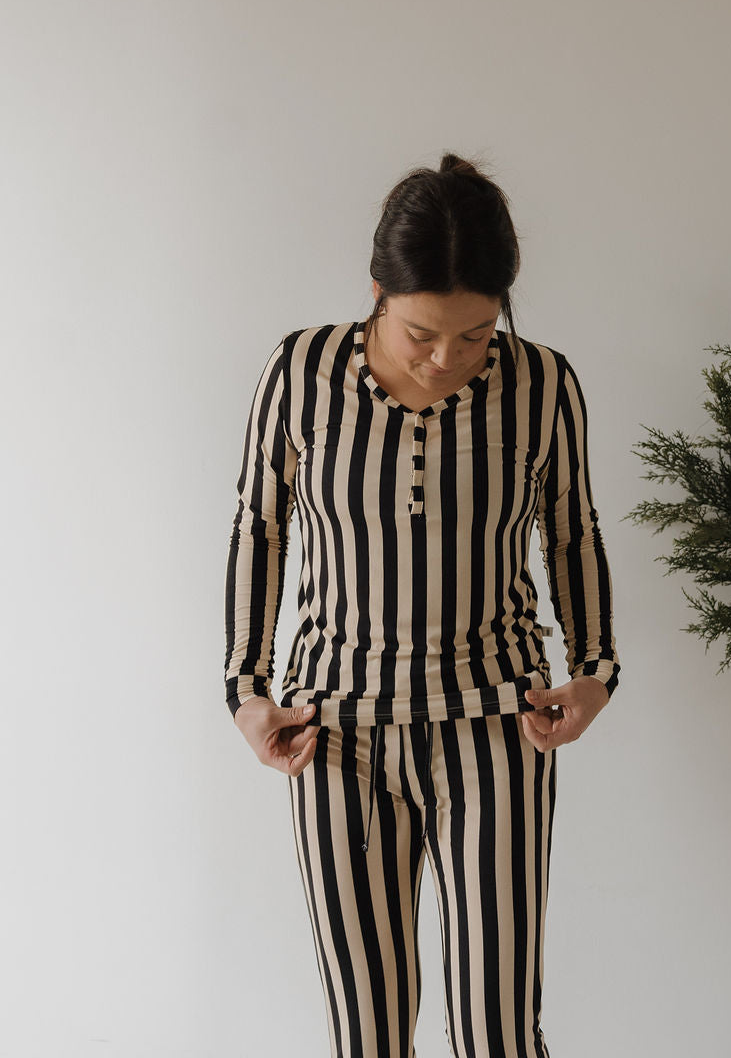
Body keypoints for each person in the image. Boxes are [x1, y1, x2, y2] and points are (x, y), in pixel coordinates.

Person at [224, 152, 621, 1058]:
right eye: (421, 334)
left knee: (497, 1033)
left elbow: (572, 534)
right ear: (377, 291)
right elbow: (259, 530)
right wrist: (246, 692)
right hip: (336, 736)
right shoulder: (300, 372)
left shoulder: (543, 384)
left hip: (499, 731)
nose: (448, 358)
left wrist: (595, 672)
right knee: (368, 1032)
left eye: (477, 334)